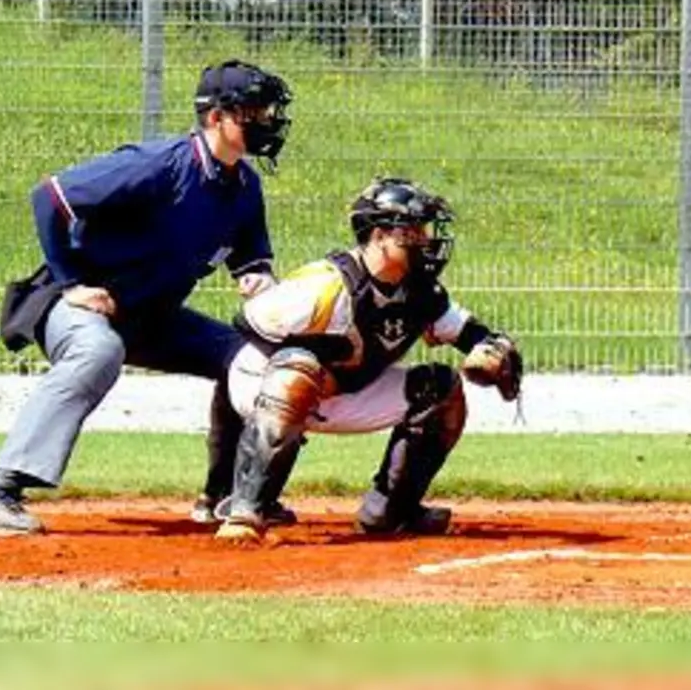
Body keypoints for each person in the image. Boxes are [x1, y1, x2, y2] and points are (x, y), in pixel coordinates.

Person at [0, 60, 294, 536]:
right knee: (99, 349)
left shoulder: (244, 187)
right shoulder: (159, 164)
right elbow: (50, 198)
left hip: (152, 316)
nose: (265, 121)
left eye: (266, 111)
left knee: (251, 359)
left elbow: (251, 262)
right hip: (75, 306)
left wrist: (259, 279)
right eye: (252, 112)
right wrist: (72, 282)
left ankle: (228, 495)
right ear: (215, 117)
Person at [212, 177, 523, 542]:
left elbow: (470, 333)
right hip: (262, 383)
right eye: (412, 231)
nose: (425, 241)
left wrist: (492, 350)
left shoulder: (421, 292)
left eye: (424, 231)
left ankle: (391, 512)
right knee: (298, 370)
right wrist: (316, 362)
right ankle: (245, 512)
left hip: (341, 390)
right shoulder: (327, 284)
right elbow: (248, 322)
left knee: (441, 389)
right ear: (379, 236)